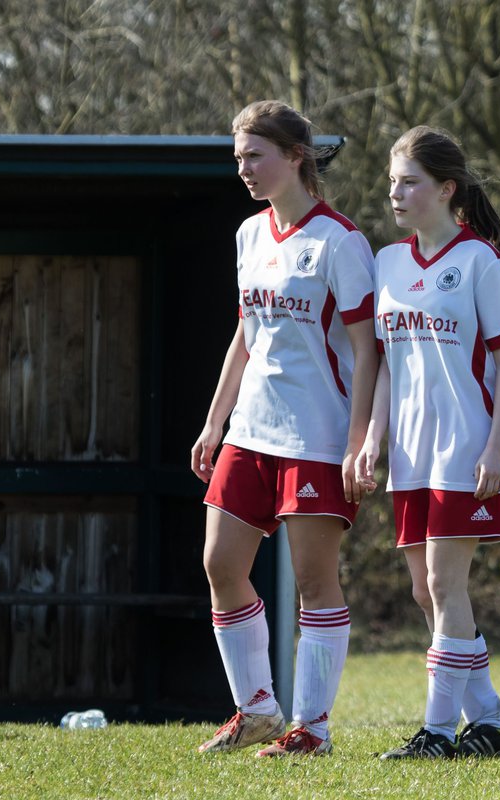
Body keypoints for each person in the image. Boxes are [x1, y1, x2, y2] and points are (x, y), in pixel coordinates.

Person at [191, 100, 377, 756]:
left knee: (314, 581)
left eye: (255, 156)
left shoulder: (340, 241)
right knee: (220, 562)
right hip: (250, 430)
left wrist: (359, 440)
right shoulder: (248, 235)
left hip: (317, 437)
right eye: (238, 158)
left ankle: (313, 730)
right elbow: (247, 336)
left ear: (295, 156)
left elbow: (366, 349)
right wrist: (215, 423)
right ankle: (259, 710)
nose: (244, 169)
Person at [357, 126, 500, 758]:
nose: (396, 193)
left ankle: (435, 733)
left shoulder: (480, 260)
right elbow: (386, 365)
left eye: (410, 182)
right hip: (410, 452)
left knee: (443, 582)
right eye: (392, 182)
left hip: (465, 445)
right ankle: (490, 722)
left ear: (446, 189)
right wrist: (374, 438)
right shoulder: (388, 262)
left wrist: (495, 447)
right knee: (423, 590)